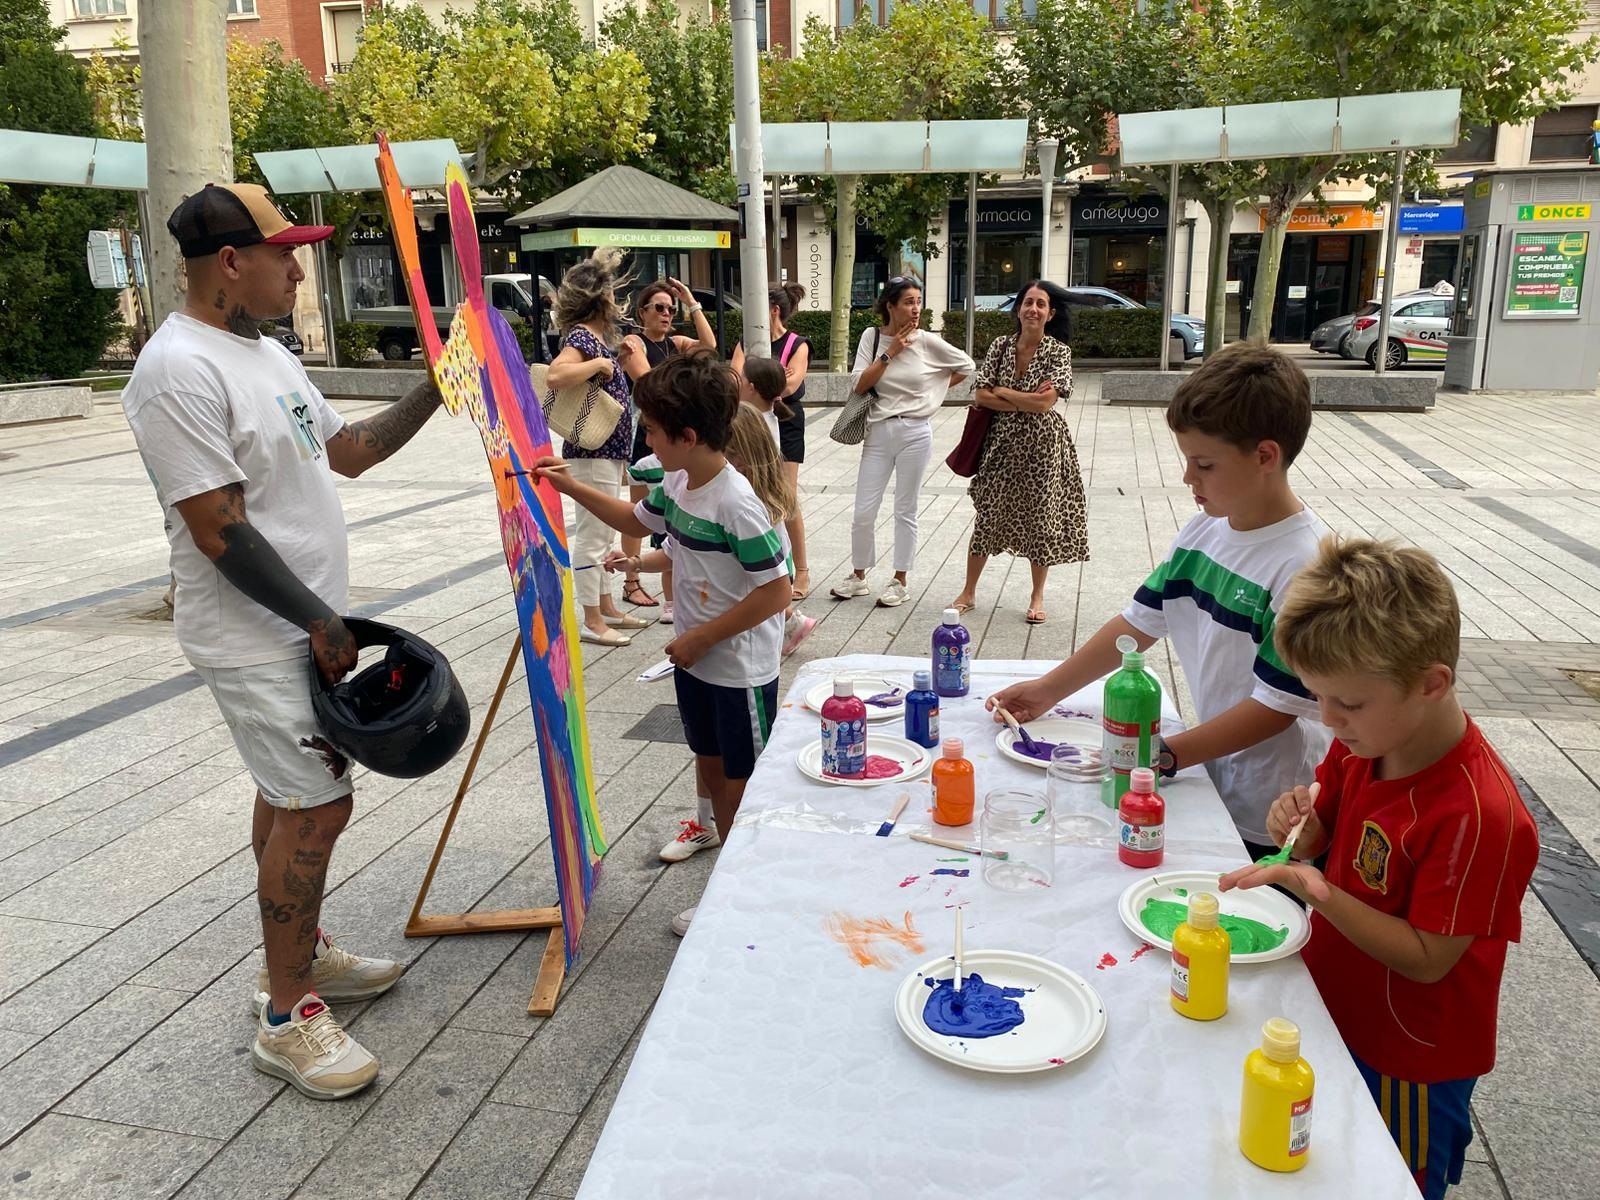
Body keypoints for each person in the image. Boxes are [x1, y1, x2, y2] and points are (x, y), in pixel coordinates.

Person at [120, 183, 447, 1099]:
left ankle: (294, 956)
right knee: (316, 809)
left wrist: (435, 383)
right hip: (254, 633)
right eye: (286, 253)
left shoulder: (264, 353)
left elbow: (351, 453)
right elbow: (218, 528)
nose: (299, 269)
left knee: (289, 795)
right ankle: (287, 1014)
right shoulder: (179, 369)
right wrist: (315, 616)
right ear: (231, 262)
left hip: (298, 625)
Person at [1220, 537, 1538, 1200]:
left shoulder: (1480, 815)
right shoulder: (1370, 742)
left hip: (1411, 1056)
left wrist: (1318, 889)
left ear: (1431, 684)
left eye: (1348, 704)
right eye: (1320, 699)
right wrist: (1299, 826)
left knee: (1386, 1179)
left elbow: (1427, 958)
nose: (1329, 721)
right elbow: (1323, 826)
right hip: (1338, 1008)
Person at [987, 341, 1330, 856]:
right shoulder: (1205, 531)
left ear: (1265, 456)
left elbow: (1276, 707)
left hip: (1275, 805)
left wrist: (1162, 755)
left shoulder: (1305, 565)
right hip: (1214, 769)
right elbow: (1138, 624)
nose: (1188, 477)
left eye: (1204, 464)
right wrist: (1048, 690)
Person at [536, 352, 791, 935]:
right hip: (697, 659)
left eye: (651, 428)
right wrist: (570, 486)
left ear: (689, 436)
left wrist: (702, 636)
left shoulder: (737, 503)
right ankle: (730, 878)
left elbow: (776, 592)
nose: (643, 437)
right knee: (709, 764)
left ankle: (741, 895)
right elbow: (637, 521)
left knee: (738, 783)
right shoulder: (678, 481)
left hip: (738, 670)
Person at [949, 281, 1088, 624]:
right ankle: (968, 591)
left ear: (1050, 313)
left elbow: (1045, 404)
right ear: (1018, 309)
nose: (1034, 309)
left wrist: (1003, 390)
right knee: (988, 515)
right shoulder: (1000, 346)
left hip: (1044, 447)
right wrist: (1019, 398)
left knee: (1041, 519)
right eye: (1028, 302)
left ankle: (1037, 595)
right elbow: (980, 396)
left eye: (1041, 304)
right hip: (1001, 444)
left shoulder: (1058, 352)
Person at [831, 276, 974, 608]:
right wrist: (891, 353)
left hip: (915, 431)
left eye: (918, 301)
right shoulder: (871, 337)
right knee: (864, 510)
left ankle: (900, 579)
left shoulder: (926, 341)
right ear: (890, 306)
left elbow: (966, 365)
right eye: (908, 302)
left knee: (905, 509)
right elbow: (859, 384)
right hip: (878, 432)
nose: (915, 309)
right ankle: (859, 575)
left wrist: (931, 390)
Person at [544, 248, 653, 647]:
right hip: (592, 454)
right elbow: (557, 374)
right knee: (594, 535)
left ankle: (605, 606)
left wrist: (615, 362)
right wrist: (599, 365)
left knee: (604, 533)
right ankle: (591, 617)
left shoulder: (591, 338)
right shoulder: (579, 337)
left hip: (604, 453)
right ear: (601, 300)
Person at [617, 277, 717, 612]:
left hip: (675, 437)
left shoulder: (675, 343)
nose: (666, 313)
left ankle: (669, 584)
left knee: (673, 506)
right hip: (650, 435)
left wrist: (692, 301)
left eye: (671, 309)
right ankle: (631, 581)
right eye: (659, 307)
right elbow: (650, 385)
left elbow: (710, 346)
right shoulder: (635, 343)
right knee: (640, 512)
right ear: (642, 311)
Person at [731, 282, 813, 600]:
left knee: (785, 496)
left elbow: (789, 386)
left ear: (773, 311)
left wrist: (765, 381)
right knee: (753, 494)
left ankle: (800, 570)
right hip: (748, 424)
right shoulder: (746, 341)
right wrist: (770, 378)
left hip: (786, 422)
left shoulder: (797, 343)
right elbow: (737, 378)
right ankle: (763, 566)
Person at [738, 355, 794, 448]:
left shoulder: (753, 425)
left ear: (751, 388)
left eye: (741, 379)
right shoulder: (768, 417)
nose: (737, 383)